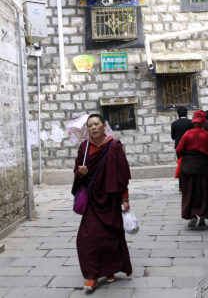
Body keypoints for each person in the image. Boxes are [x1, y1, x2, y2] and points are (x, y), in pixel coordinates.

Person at [71, 114, 132, 291]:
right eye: (90, 126)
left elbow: (123, 176)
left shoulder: (114, 146)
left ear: (104, 126)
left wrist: (125, 198)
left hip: (111, 199)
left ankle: (109, 269)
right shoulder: (84, 147)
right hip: (92, 200)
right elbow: (77, 170)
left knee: (110, 237)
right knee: (87, 238)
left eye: (96, 124)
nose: (93, 128)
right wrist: (80, 173)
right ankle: (92, 276)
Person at [176, 110, 208, 228]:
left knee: (189, 191)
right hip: (203, 166)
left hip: (188, 167)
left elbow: (179, 150)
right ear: (204, 122)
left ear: (194, 121)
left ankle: (192, 215)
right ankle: (202, 217)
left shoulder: (188, 134)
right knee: (204, 192)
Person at [171, 106, 193, 191]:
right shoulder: (191, 122)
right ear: (186, 113)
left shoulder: (174, 124)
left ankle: (181, 186)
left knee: (181, 165)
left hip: (178, 147)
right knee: (190, 165)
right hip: (189, 147)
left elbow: (173, 137)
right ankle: (189, 185)